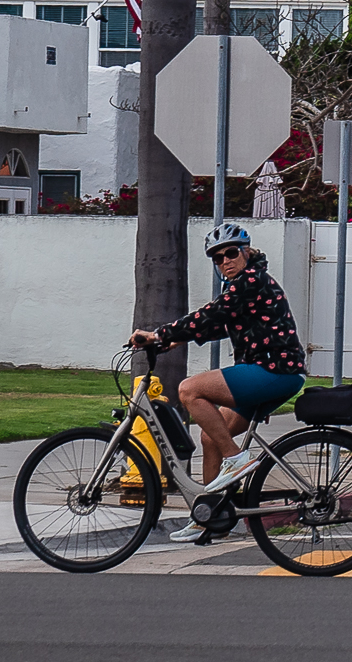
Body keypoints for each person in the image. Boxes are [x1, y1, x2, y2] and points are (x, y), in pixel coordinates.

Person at [131, 221, 306, 540]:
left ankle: (237, 459)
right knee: (211, 438)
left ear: (246, 251)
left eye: (231, 252)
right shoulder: (246, 284)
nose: (225, 260)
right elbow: (221, 324)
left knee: (189, 389)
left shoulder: (250, 279)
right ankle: (208, 517)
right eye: (217, 257)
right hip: (272, 372)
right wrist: (175, 340)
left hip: (273, 370)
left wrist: (160, 333)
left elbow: (214, 313)